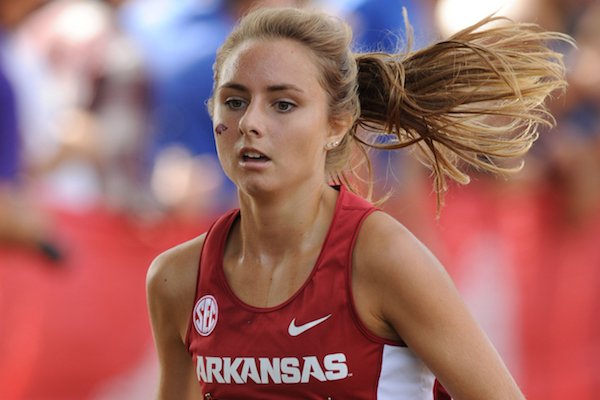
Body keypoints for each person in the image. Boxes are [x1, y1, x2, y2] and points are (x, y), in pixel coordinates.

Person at [146, 6, 570, 399]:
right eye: (235, 101)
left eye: (283, 104)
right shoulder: (177, 279)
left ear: (335, 125)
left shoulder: (383, 257)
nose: (251, 123)